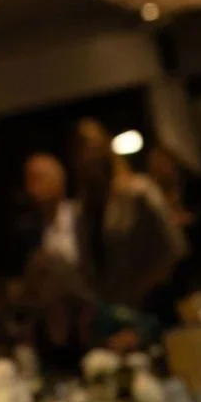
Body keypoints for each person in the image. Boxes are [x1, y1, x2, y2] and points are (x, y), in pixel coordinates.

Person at [72, 118, 186, 313]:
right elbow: (89, 268)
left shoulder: (138, 191)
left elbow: (173, 247)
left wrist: (142, 290)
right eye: (82, 150)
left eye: (93, 147)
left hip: (154, 303)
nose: (89, 156)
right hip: (113, 311)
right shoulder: (83, 210)